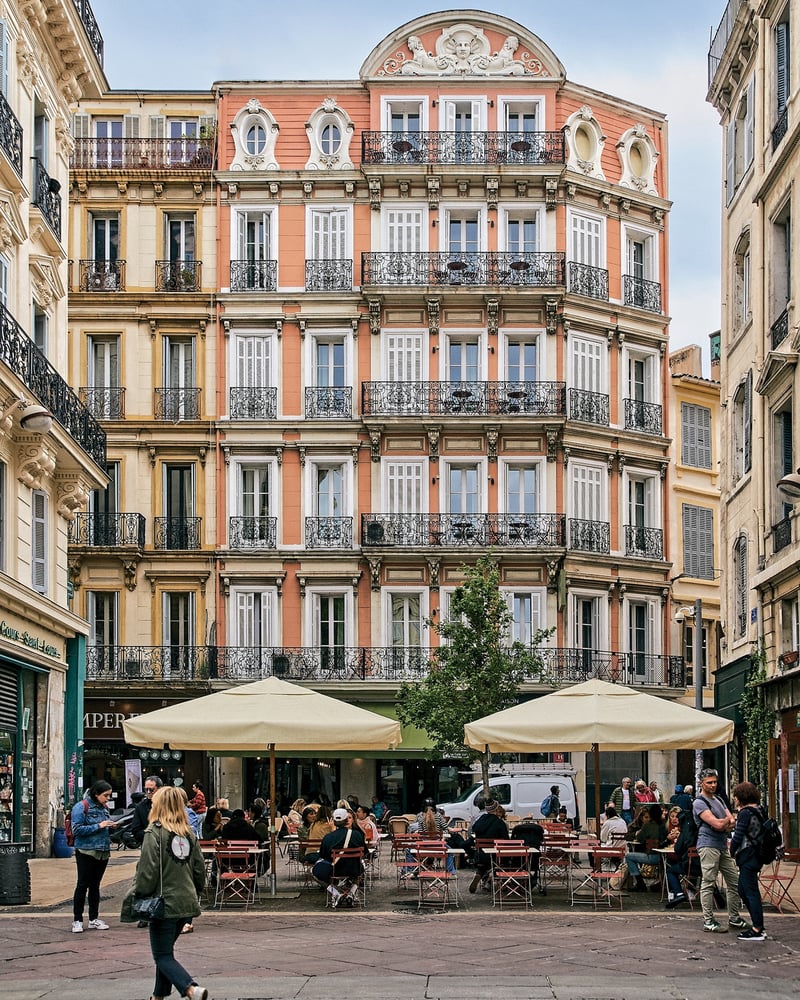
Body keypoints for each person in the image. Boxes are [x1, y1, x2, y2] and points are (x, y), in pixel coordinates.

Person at [130, 785, 208, 1000]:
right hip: (185, 901)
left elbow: (147, 870)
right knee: (166, 952)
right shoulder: (188, 832)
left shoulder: (154, 832)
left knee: (162, 955)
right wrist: (196, 890)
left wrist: (140, 894)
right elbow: (199, 868)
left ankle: (191, 989)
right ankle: (158, 996)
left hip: (162, 902)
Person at [692, 767, 748, 934]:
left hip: (722, 845)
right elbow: (718, 824)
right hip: (708, 845)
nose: (713, 785)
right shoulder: (699, 802)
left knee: (734, 881)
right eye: (709, 782)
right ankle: (708, 920)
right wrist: (724, 823)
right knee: (708, 882)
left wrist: (723, 822)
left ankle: (734, 917)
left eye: (715, 782)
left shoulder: (719, 800)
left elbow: (731, 821)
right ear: (701, 783)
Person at [71, 779, 118, 933]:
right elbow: (76, 830)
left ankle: (93, 919)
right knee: (82, 884)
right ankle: (77, 920)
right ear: (96, 794)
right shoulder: (81, 807)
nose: (108, 799)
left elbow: (104, 827)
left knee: (95, 886)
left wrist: (110, 826)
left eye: (109, 796)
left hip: (102, 851)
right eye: (105, 795)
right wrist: (99, 826)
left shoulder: (104, 808)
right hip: (86, 850)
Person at [730, 780, 767, 941]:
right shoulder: (760, 810)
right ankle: (757, 925)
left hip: (748, 855)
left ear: (741, 797)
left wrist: (732, 850)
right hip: (757, 854)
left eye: (736, 796)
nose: (735, 799)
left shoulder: (745, 813)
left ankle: (758, 928)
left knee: (750, 892)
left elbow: (738, 835)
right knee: (743, 890)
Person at [312, 807, 366, 907]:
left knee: (314, 872)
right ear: (346, 820)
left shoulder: (328, 838)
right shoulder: (357, 835)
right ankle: (351, 893)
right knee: (361, 868)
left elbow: (324, 856)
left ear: (334, 821)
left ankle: (336, 893)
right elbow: (365, 853)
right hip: (355, 869)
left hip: (334, 870)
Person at [468, 798, 509, 893]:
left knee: (483, 865)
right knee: (502, 861)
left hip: (480, 854)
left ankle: (480, 874)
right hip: (495, 856)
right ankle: (492, 880)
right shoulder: (500, 823)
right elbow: (506, 840)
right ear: (496, 809)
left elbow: (474, 829)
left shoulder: (480, 820)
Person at [624, 803, 668, 891]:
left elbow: (640, 839)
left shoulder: (648, 825)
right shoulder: (664, 825)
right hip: (665, 858)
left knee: (629, 857)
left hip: (652, 856)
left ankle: (640, 883)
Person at [665, 807, 699, 909]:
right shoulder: (698, 831)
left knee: (670, 870)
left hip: (688, 866)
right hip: (703, 867)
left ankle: (678, 893)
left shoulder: (684, 833)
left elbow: (677, 849)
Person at [131, 775, 163, 847]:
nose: (148, 792)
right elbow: (135, 830)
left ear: (160, 789)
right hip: (148, 844)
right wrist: (149, 833)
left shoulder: (168, 804)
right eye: (146, 789)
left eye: (151, 790)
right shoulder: (140, 806)